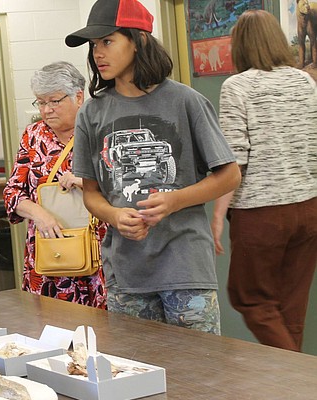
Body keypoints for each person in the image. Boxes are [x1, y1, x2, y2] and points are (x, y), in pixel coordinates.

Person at [64, 0, 241, 334]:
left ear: (138, 40)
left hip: (186, 265)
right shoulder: (91, 113)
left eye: (107, 41)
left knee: (198, 371)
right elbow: (92, 193)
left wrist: (176, 200)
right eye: (93, 45)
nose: (98, 53)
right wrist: (114, 215)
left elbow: (229, 174)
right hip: (126, 273)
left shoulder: (185, 101)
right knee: (138, 374)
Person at [211, 10, 317, 351]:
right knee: (290, 308)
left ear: (238, 45)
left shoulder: (237, 86)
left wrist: (217, 214)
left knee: (251, 300)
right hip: (309, 206)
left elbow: (234, 158)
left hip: (261, 213)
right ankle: (295, 385)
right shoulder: (304, 81)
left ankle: (301, 382)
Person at [3, 61, 106, 307]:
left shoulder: (101, 130)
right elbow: (13, 192)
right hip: (50, 257)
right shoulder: (33, 135)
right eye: (40, 102)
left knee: (104, 334)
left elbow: (124, 189)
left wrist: (85, 182)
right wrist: (39, 215)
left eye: (54, 101)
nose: (46, 109)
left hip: (97, 256)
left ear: (78, 97)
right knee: (49, 331)